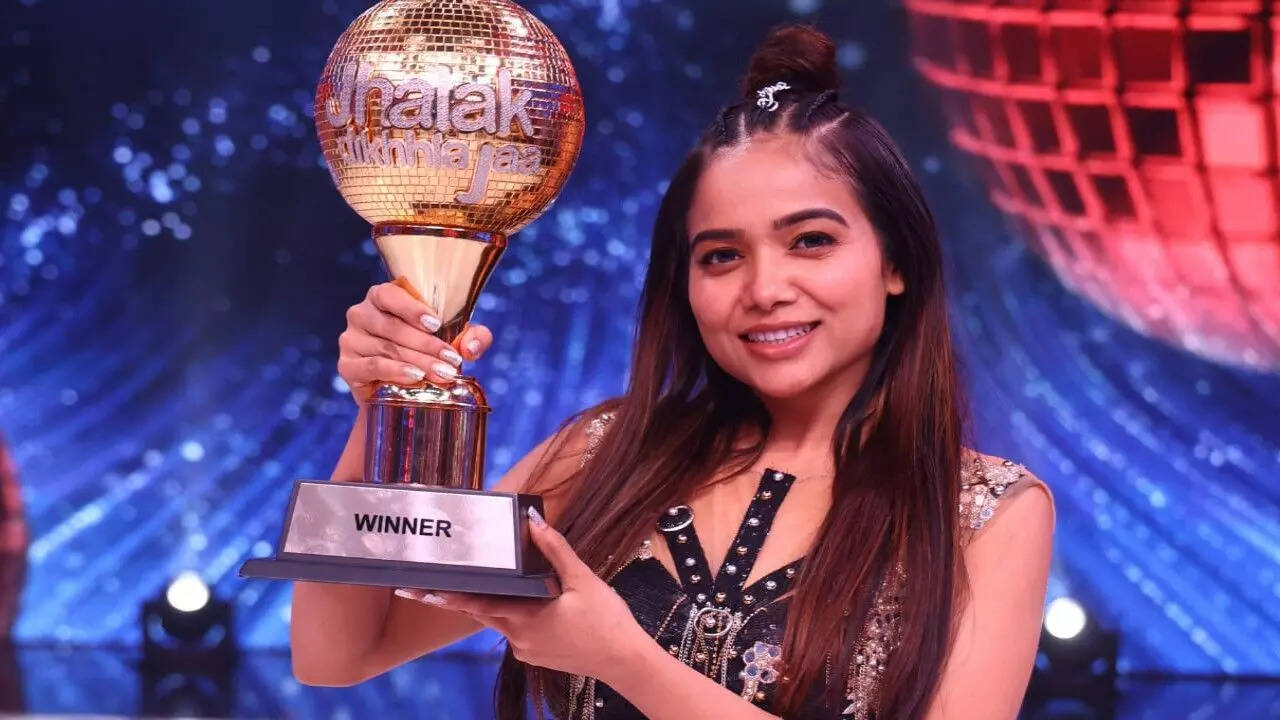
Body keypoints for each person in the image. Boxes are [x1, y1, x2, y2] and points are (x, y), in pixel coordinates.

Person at [291, 23, 1056, 720]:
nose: (764, 289)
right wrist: (388, 398)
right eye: (721, 255)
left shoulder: (986, 513)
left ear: (895, 261)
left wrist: (624, 659)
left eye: (810, 241)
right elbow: (339, 653)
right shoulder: (606, 454)